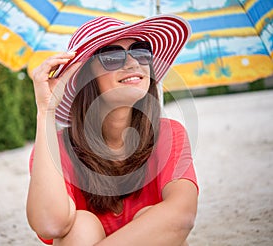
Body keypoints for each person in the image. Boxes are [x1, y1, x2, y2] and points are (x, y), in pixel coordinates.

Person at [27, 15, 199, 246]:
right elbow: (50, 225)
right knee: (82, 226)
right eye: (112, 56)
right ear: (86, 77)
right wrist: (45, 113)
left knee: (151, 215)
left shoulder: (169, 134)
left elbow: (182, 216)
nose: (133, 63)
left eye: (141, 51)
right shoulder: (57, 148)